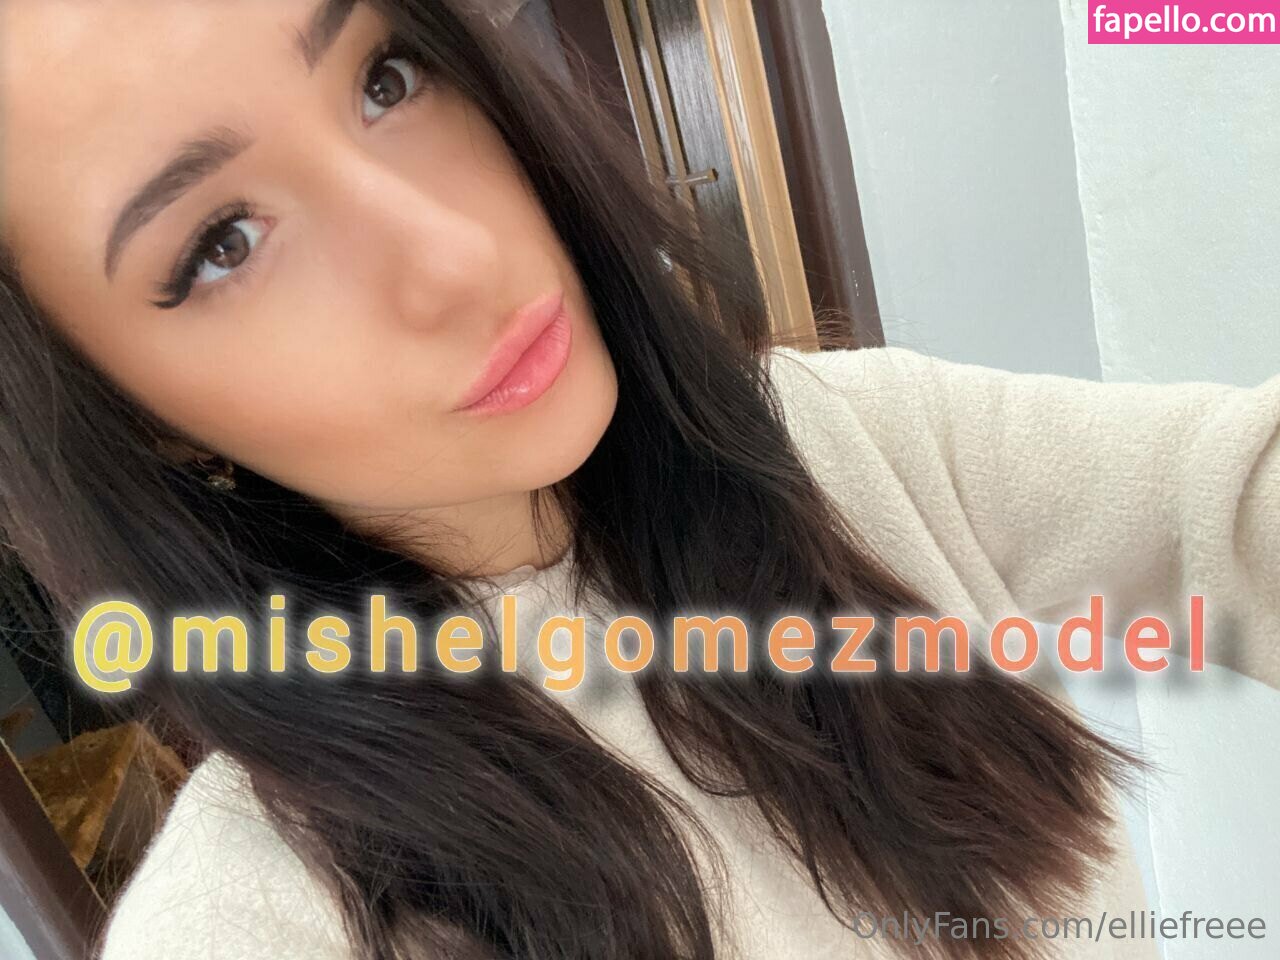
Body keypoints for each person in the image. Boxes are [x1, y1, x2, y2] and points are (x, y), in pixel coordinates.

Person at [0, 2, 1276, 959]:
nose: (453, 256)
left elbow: (1223, 504)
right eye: (223, 243)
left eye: (385, 79)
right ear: (136, 423)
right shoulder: (263, 917)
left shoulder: (841, 449)